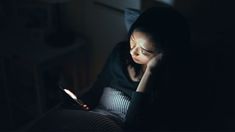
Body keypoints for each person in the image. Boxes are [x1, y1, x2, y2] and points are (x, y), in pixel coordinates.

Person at [28, 6, 193, 132]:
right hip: (90, 117)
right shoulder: (120, 54)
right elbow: (96, 89)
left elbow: (133, 125)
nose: (133, 51)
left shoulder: (164, 81)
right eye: (132, 41)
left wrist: (150, 72)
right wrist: (78, 103)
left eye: (144, 51)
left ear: (163, 54)